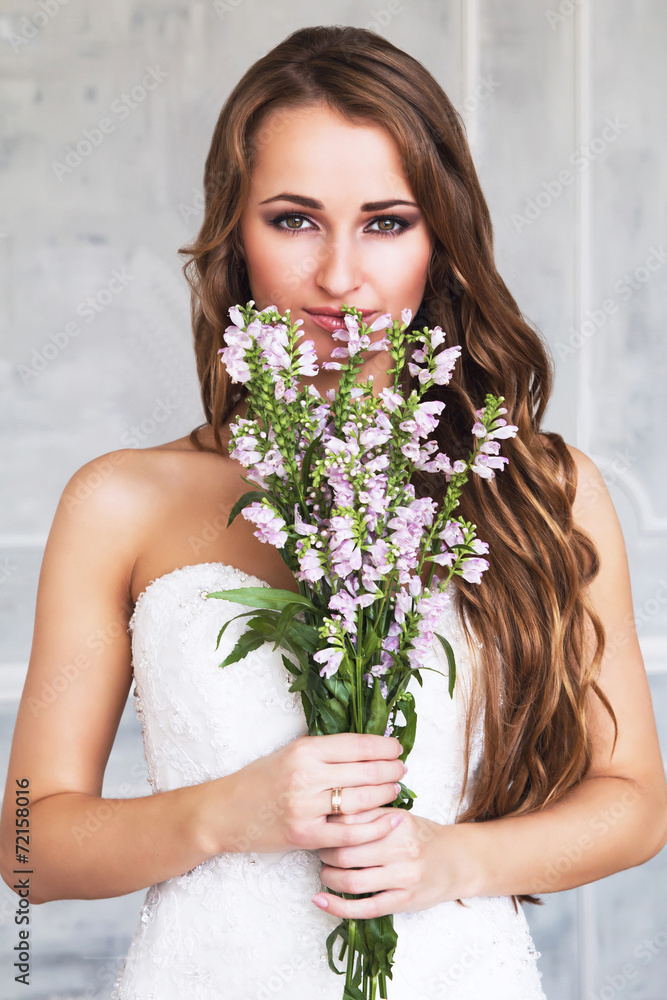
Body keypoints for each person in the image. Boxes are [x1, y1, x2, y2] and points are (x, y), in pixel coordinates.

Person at [2, 24, 666, 1000]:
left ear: (441, 238)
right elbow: (26, 844)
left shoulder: (540, 489)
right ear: (235, 229)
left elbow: (636, 804)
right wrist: (227, 814)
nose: (340, 277)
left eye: (387, 222)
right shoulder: (120, 501)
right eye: (294, 219)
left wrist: (451, 861)